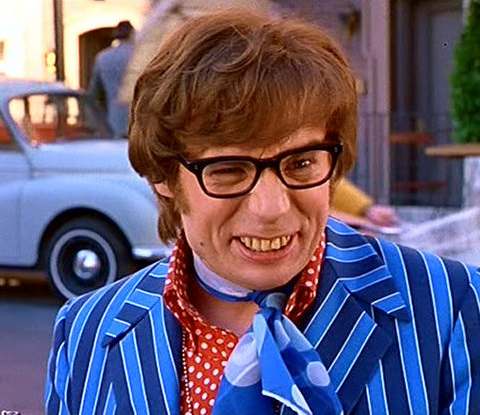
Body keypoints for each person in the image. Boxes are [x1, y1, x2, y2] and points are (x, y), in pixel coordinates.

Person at [45, 9, 480, 414]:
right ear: (163, 175)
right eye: (229, 170)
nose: (271, 208)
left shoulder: (453, 307)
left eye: (301, 163)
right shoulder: (86, 333)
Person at [88, 20, 135, 138]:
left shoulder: (102, 57)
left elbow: (94, 93)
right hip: (137, 118)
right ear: (132, 34)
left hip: (113, 119)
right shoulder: (139, 56)